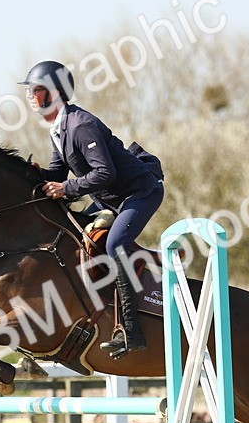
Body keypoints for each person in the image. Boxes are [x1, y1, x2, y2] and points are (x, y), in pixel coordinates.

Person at [19, 60, 164, 358]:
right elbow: (57, 174)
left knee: (115, 245)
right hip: (110, 198)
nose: (30, 96)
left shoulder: (81, 125)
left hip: (139, 194)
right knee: (78, 233)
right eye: (30, 91)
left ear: (54, 93)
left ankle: (132, 330)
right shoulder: (57, 128)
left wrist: (66, 189)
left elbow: (104, 173)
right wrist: (31, 175)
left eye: (36, 90)